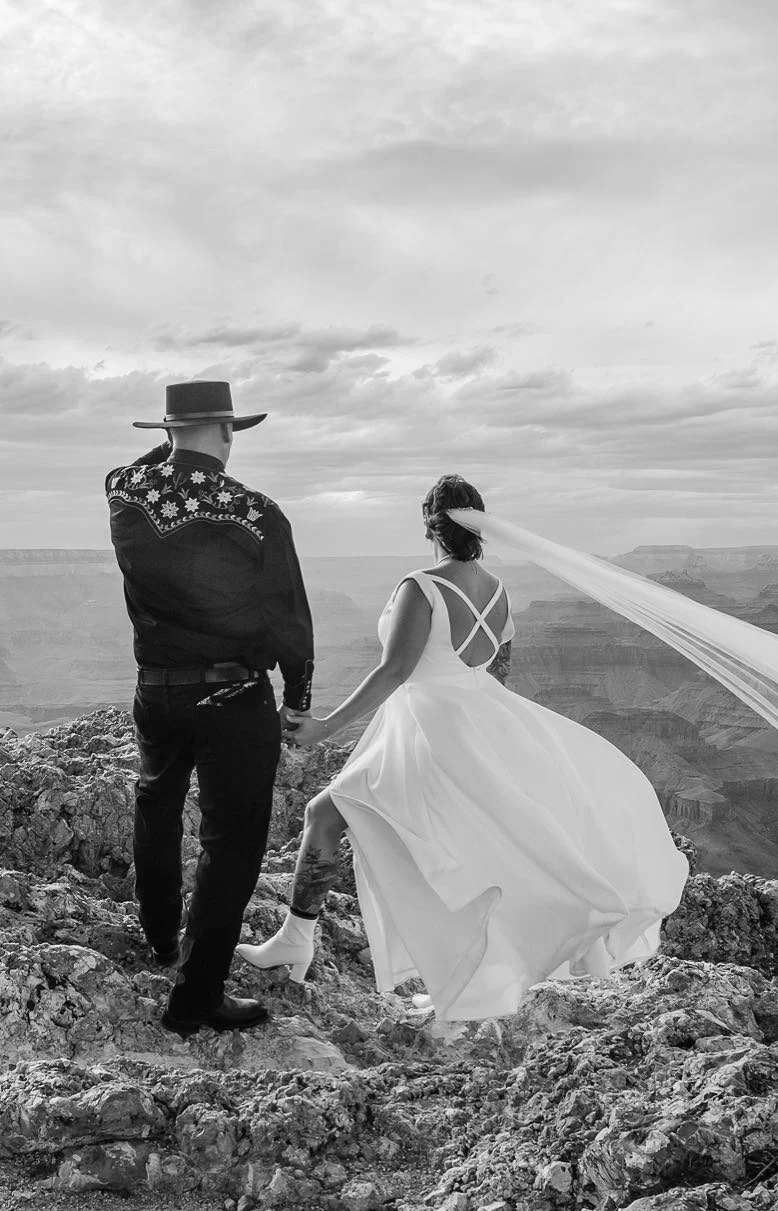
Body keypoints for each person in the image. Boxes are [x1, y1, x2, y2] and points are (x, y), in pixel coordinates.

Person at [236, 475, 688, 1023]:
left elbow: (395, 670)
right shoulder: (498, 591)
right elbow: (498, 673)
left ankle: (295, 939)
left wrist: (326, 727)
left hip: (426, 729)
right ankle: (459, 974)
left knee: (326, 815)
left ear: (431, 525)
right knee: (466, 856)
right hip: (476, 724)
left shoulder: (419, 586)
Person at [106, 380, 315, 1036]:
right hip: (232, 697)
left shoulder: (124, 491)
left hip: (156, 689)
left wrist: (167, 450)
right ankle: (195, 997)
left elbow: (143, 467)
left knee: (157, 806)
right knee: (231, 841)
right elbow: (290, 623)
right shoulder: (254, 512)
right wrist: (298, 698)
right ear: (227, 432)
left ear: (166, 431)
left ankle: (162, 939)